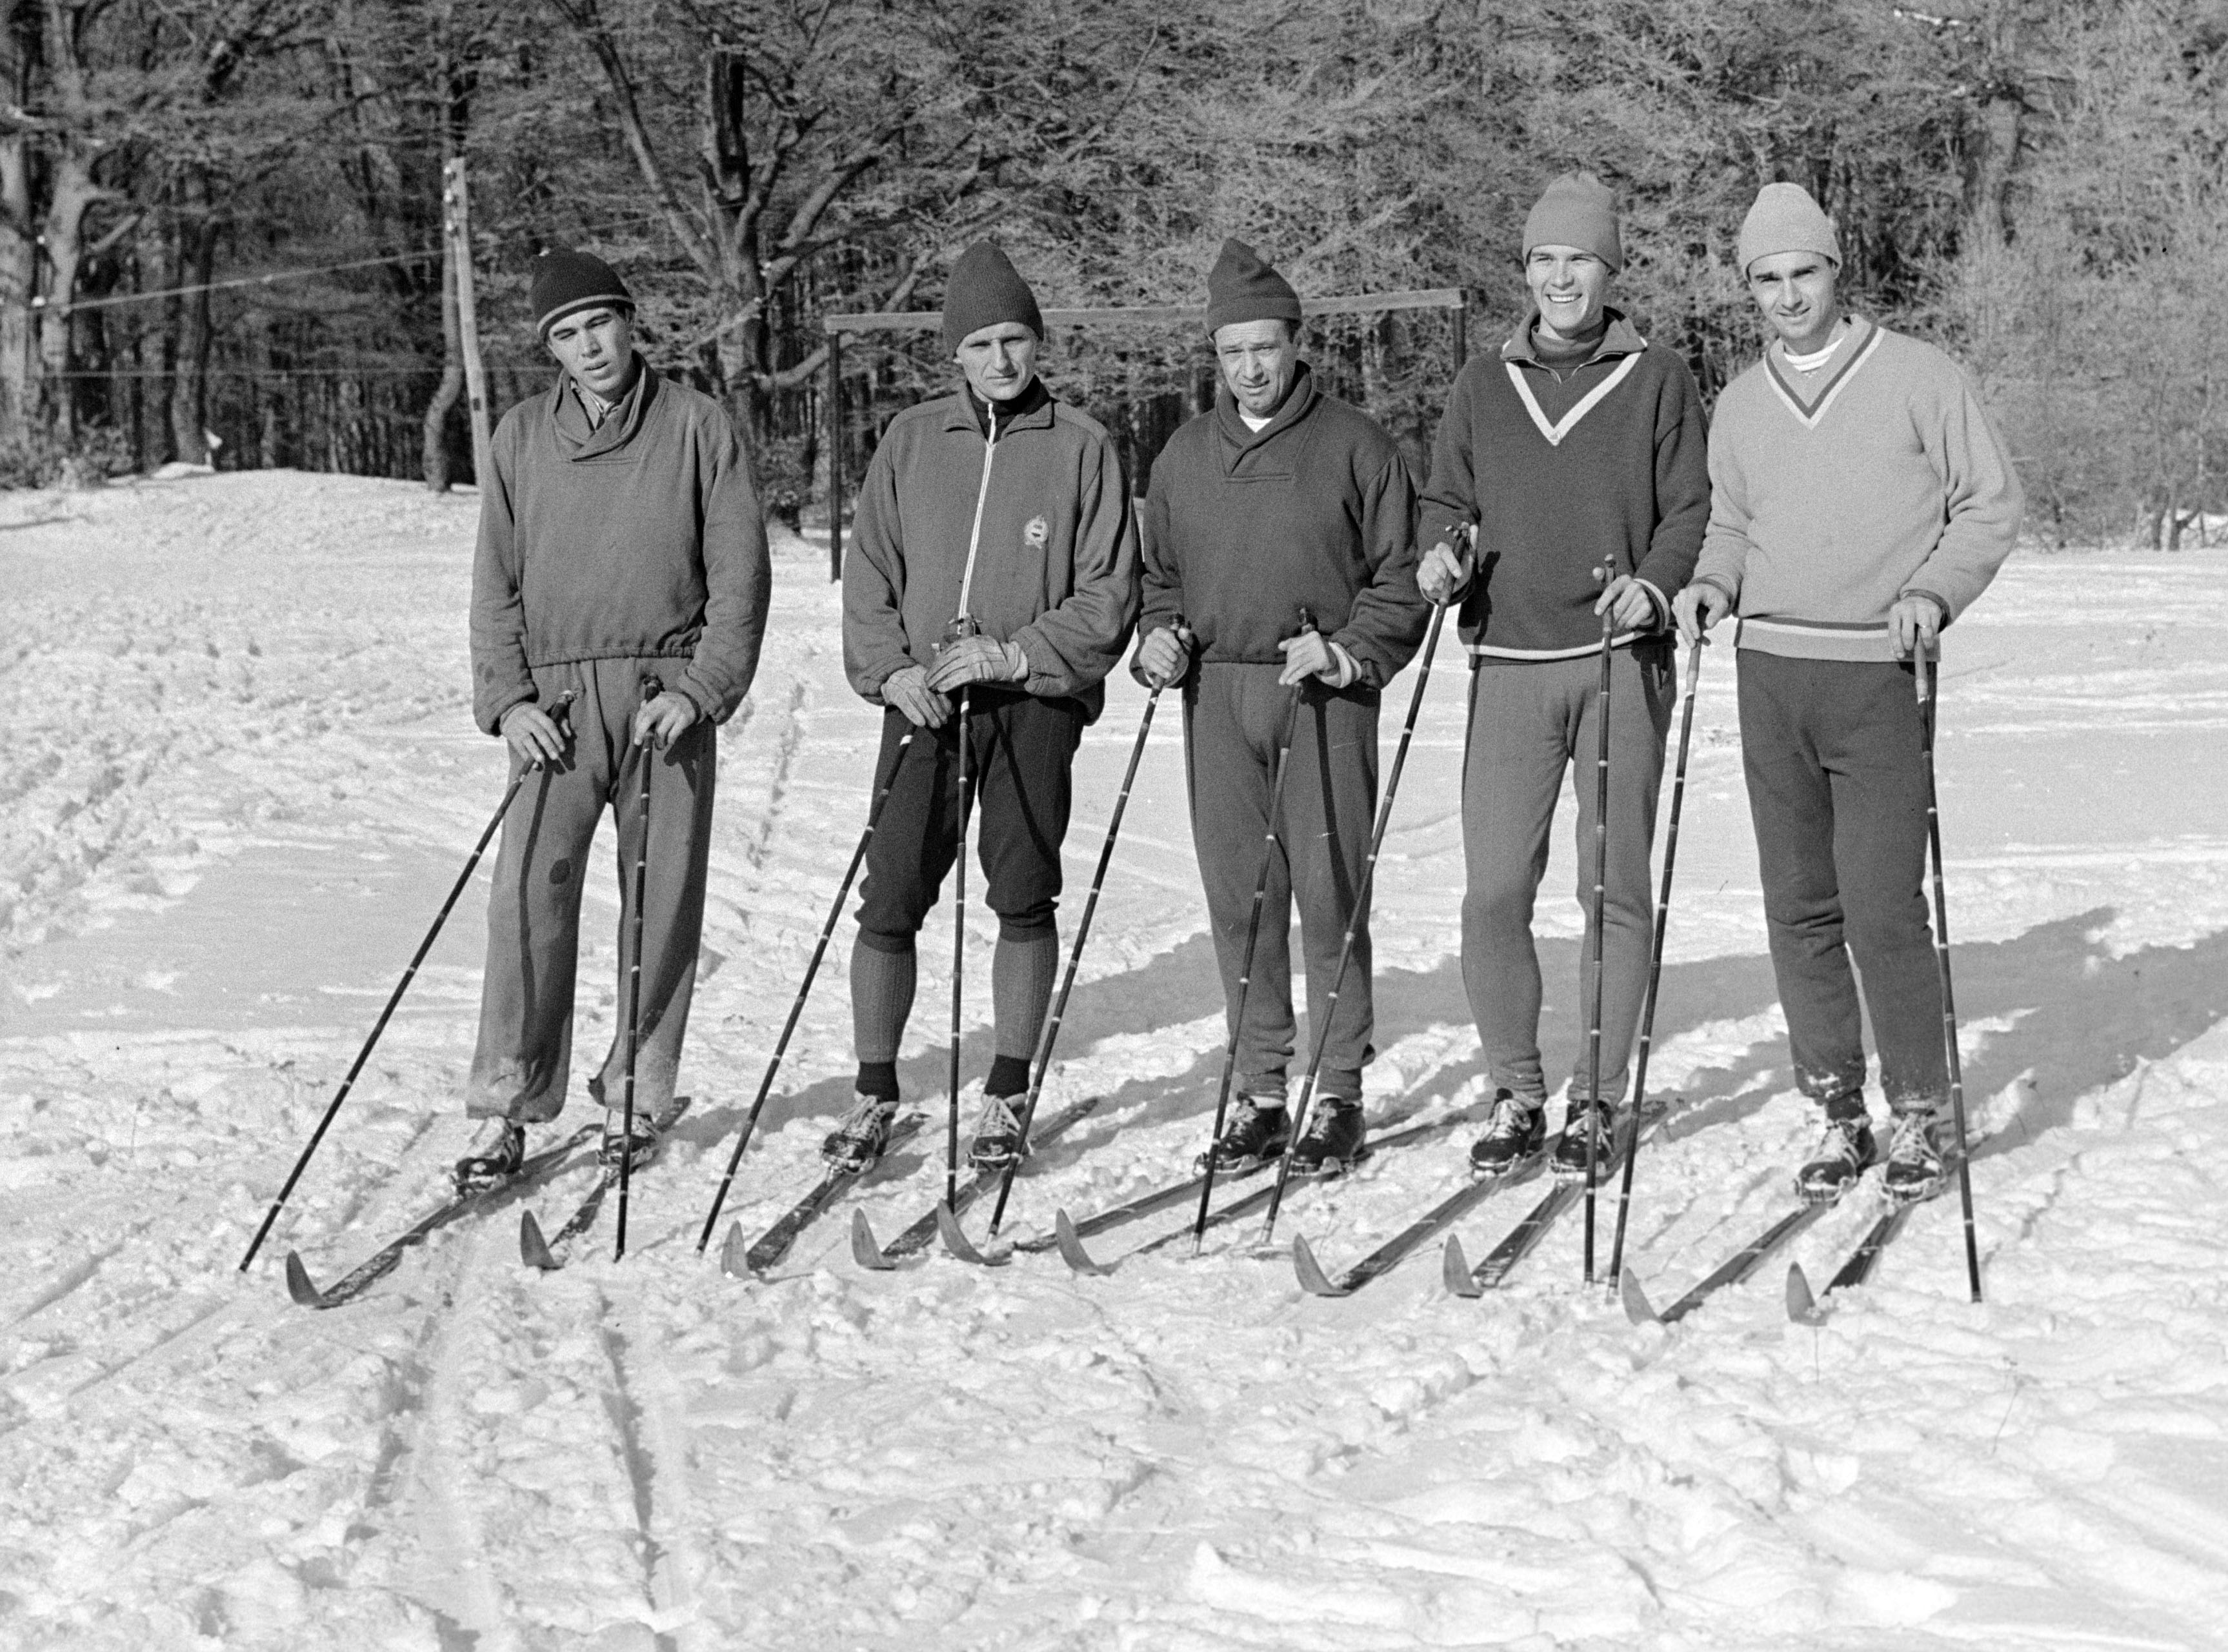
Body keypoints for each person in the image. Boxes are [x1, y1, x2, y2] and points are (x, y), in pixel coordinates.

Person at [1673, 182, 2022, 1204]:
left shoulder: (1918, 376)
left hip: (1878, 670)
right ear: (1750, 290)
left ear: (1837, 270)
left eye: (1804, 272)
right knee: (1798, 906)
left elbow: (1988, 506)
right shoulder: (1738, 403)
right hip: (1771, 673)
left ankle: (1918, 1108)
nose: (1788, 296)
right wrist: (1708, 581)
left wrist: (1931, 590)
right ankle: (1836, 1105)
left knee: (1880, 904)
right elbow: (1730, 525)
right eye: (1767, 280)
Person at [1414, 172, 1710, 1182]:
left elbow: (1689, 511)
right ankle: (1515, 1087)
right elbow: (1444, 496)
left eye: (1576, 259)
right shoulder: (1480, 382)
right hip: (1507, 661)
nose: (1558, 278)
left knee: (1610, 887)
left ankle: (1596, 1092)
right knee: (1494, 890)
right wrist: (1438, 552)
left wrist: (1659, 586)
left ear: (1608, 268)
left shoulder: (1657, 377)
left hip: (1616, 661)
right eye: (1542, 259)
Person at [457, 248, 772, 1191]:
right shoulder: (519, 436)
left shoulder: (695, 425)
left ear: (629, 322)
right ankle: (508, 1100)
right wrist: (508, 701)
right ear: (549, 348)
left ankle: (638, 1086)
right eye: (566, 333)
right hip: (553, 703)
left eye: (599, 322)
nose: (588, 345)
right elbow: (494, 585)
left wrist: (702, 687)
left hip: (662, 696)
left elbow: (741, 578)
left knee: (661, 894)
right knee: (529, 895)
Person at [827, 240, 1138, 1172]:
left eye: (1014, 340)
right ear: (953, 353)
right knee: (892, 892)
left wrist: (1019, 653)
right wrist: (889, 671)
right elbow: (868, 573)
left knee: (1020, 886)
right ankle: (874, 1088)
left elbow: (1106, 593)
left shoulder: (1080, 444)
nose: (999, 360)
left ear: (1036, 344)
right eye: (980, 345)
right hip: (923, 701)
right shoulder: (913, 439)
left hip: (1030, 702)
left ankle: (1007, 1087)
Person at [1133, 239, 1429, 1177]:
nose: (1251, 368)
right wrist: (1160, 634)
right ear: (1213, 356)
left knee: (1327, 889)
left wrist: (1349, 649)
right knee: (1238, 898)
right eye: (1232, 352)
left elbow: (1400, 578)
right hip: (1219, 691)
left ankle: (1335, 1088)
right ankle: (1260, 1089)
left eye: (1265, 347)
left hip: (1321, 689)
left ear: (1295, 345)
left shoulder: (1355, 445)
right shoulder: (1182, 454)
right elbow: (1158, 578)